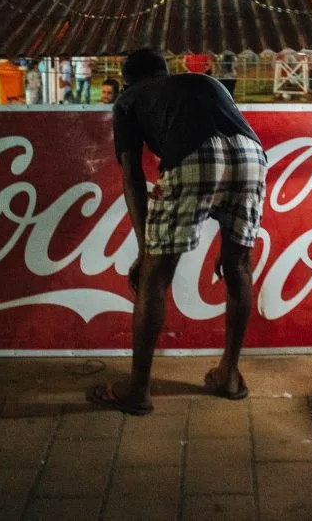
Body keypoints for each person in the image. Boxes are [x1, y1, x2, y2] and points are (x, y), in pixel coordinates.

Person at [91, 49, 267, 415]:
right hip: (251, 154)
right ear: (165, 71)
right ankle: (229, 376)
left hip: (194, 157)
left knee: (154, 278)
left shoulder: (129, 99)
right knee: (238, 268)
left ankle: (138, 390)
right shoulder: (206, 81)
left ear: (126, 79)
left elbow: (133, 176)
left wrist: (144, 250)